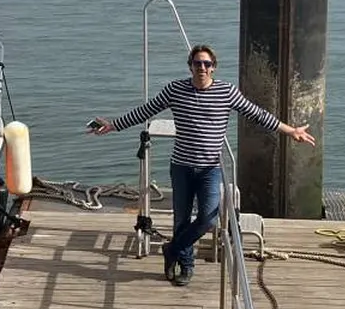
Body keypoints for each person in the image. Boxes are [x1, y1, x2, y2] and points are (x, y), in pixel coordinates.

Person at [89, 45, 316, 285]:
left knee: (208, 219)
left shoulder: (226, 92)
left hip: (210, 169)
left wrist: (291, 131)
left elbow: (258, 114)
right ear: (190, 66)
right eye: (197, 63)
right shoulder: (175, 90)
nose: (202, 68)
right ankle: (185, 265)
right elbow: (146, 111)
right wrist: (113, 125)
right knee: (182, 220)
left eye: (207, 64)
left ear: (214, 67)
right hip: (182, 167)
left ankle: (172, 249)